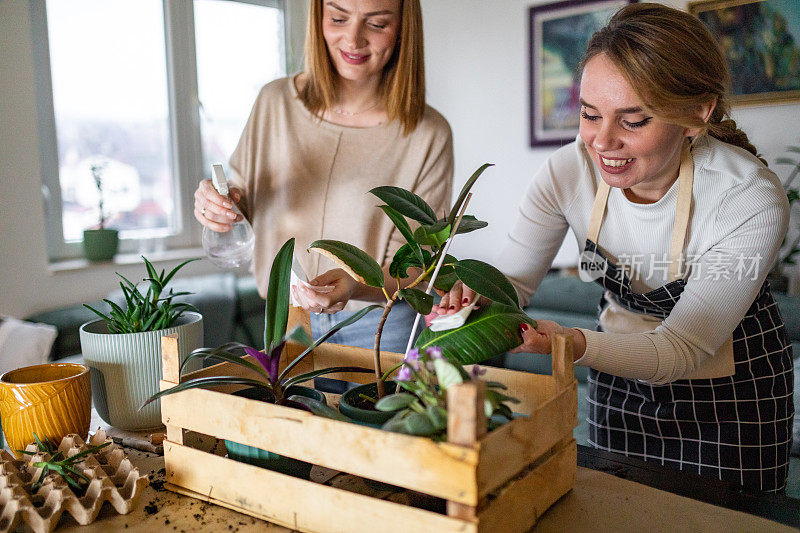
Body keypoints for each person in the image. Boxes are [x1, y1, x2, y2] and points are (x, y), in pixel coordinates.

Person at [434, 3, 793, 492]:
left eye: (634, 121)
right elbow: (511, 284)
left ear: (696, 113)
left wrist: (572, 343)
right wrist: (472, 300)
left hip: (731, 394)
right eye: (589, 114)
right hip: (618, 377)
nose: (602, 142)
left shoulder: (746, 196)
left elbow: (682, 347)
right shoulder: (568, 173)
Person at [194, 0, 453, 353]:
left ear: (404, 29)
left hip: (380, 328)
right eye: (338, 18)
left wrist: (356, 285)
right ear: (318, 18)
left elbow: (419, 266)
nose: (353, 39)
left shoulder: (427, 133)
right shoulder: (275, 103)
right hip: (287, 322)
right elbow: (238, 201)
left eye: (376, 24)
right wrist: (217, 205)